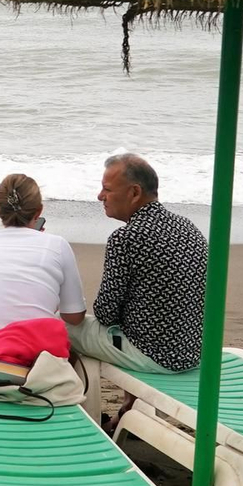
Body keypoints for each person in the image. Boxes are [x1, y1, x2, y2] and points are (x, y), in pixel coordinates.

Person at [67, 153, 207, 373]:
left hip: (154, 357)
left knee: (59, 326)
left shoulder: (126, 237)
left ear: (134, 192)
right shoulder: (187, 227)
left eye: (107, 189)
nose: (100, 196)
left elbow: (105, 313)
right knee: (132, 323)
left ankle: (78, 397)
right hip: (192, 353)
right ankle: (128, 401)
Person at [0, 173, 86, 379]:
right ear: (39, 211)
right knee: (67, 335)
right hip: (33, 361)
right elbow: (75, 316)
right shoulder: (57, 245)